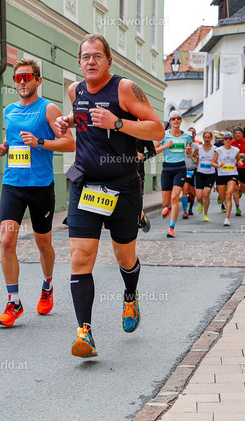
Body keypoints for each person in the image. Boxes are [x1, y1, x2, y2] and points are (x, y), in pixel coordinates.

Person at [55, 34, 165, 358]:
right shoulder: (75, 91)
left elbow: (157, 129)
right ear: (79, 62)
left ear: (108, 60)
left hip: (123, 187)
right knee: (80, 257)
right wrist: (66, 123)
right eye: (85, 57)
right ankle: (84, 333)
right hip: (85, 185)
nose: (91, 61)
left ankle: (130, 296)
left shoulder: (124, 89)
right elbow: (83, 121)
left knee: (124, 257)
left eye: (97, 56)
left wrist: (118, 123)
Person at [0, 58, 75, 327]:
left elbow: (69, 143)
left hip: (40, 186)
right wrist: (3, 148)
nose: (22, 82)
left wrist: (40, 142)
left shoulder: (49, 109)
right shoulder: (9, 111)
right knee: (7, 242)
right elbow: (11, 141)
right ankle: (14, 302)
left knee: (43, 244)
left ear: (38, 80)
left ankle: (47, 285)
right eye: (18, 78)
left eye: (27, 77)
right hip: (13, 184)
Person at [154, 110, 193, 238]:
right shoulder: (163, 135)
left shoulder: (186, 137)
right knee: (166, 202)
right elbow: (154, 150)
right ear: (170, 121)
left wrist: (189, 151)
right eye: (173, 118)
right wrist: (166, 146)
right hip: (167, 169)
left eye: (178, 118)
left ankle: (171, 228)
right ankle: (169, 207)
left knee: (174, 198)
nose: (176, 120)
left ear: (181, 120)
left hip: (180, 168)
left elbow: (189, 152)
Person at [212, 132, 243, 226]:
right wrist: (219, 165)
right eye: (226, 139)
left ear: (232, 140)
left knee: (229, 195)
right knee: (223, 198)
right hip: (221, 175)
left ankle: (227, 219)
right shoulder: (218, 150)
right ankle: (222, 200)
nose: (228, 140)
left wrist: (240, 162)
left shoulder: (236, 150)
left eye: (230, 138)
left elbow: (239, 159)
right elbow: (212, 162)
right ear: (223, 140)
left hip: (232, 174)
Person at [194, 131, 217, 222]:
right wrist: (195, 160)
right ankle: (201, 204)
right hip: (200, 173)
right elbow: (193, 156)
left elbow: (218, 159)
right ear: (203, 138)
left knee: (206, 194)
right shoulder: (198, 148)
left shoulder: (215, 149)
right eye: (205, 137)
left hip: (211, 174)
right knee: (199, 197)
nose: (207, 139)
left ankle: (205, 215)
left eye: (208, 137)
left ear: (211, 138)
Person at [136, 139, 156, 232]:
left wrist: (142, 156)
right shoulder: (120, 132)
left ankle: (140, 217)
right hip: (121, 170)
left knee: (138, 197)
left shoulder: (142, 133)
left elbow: (152, 151)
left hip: (138, 171)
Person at [182, 127, 200, 218]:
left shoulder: (196, 146)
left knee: (193, 191)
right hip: (184, 169)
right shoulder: (182, 145)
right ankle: (185, 211)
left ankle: (190, 208)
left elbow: (199, 157)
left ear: (193, 137)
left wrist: (196, 160)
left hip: (194, 169)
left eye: (191, 137)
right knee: (185, 189)